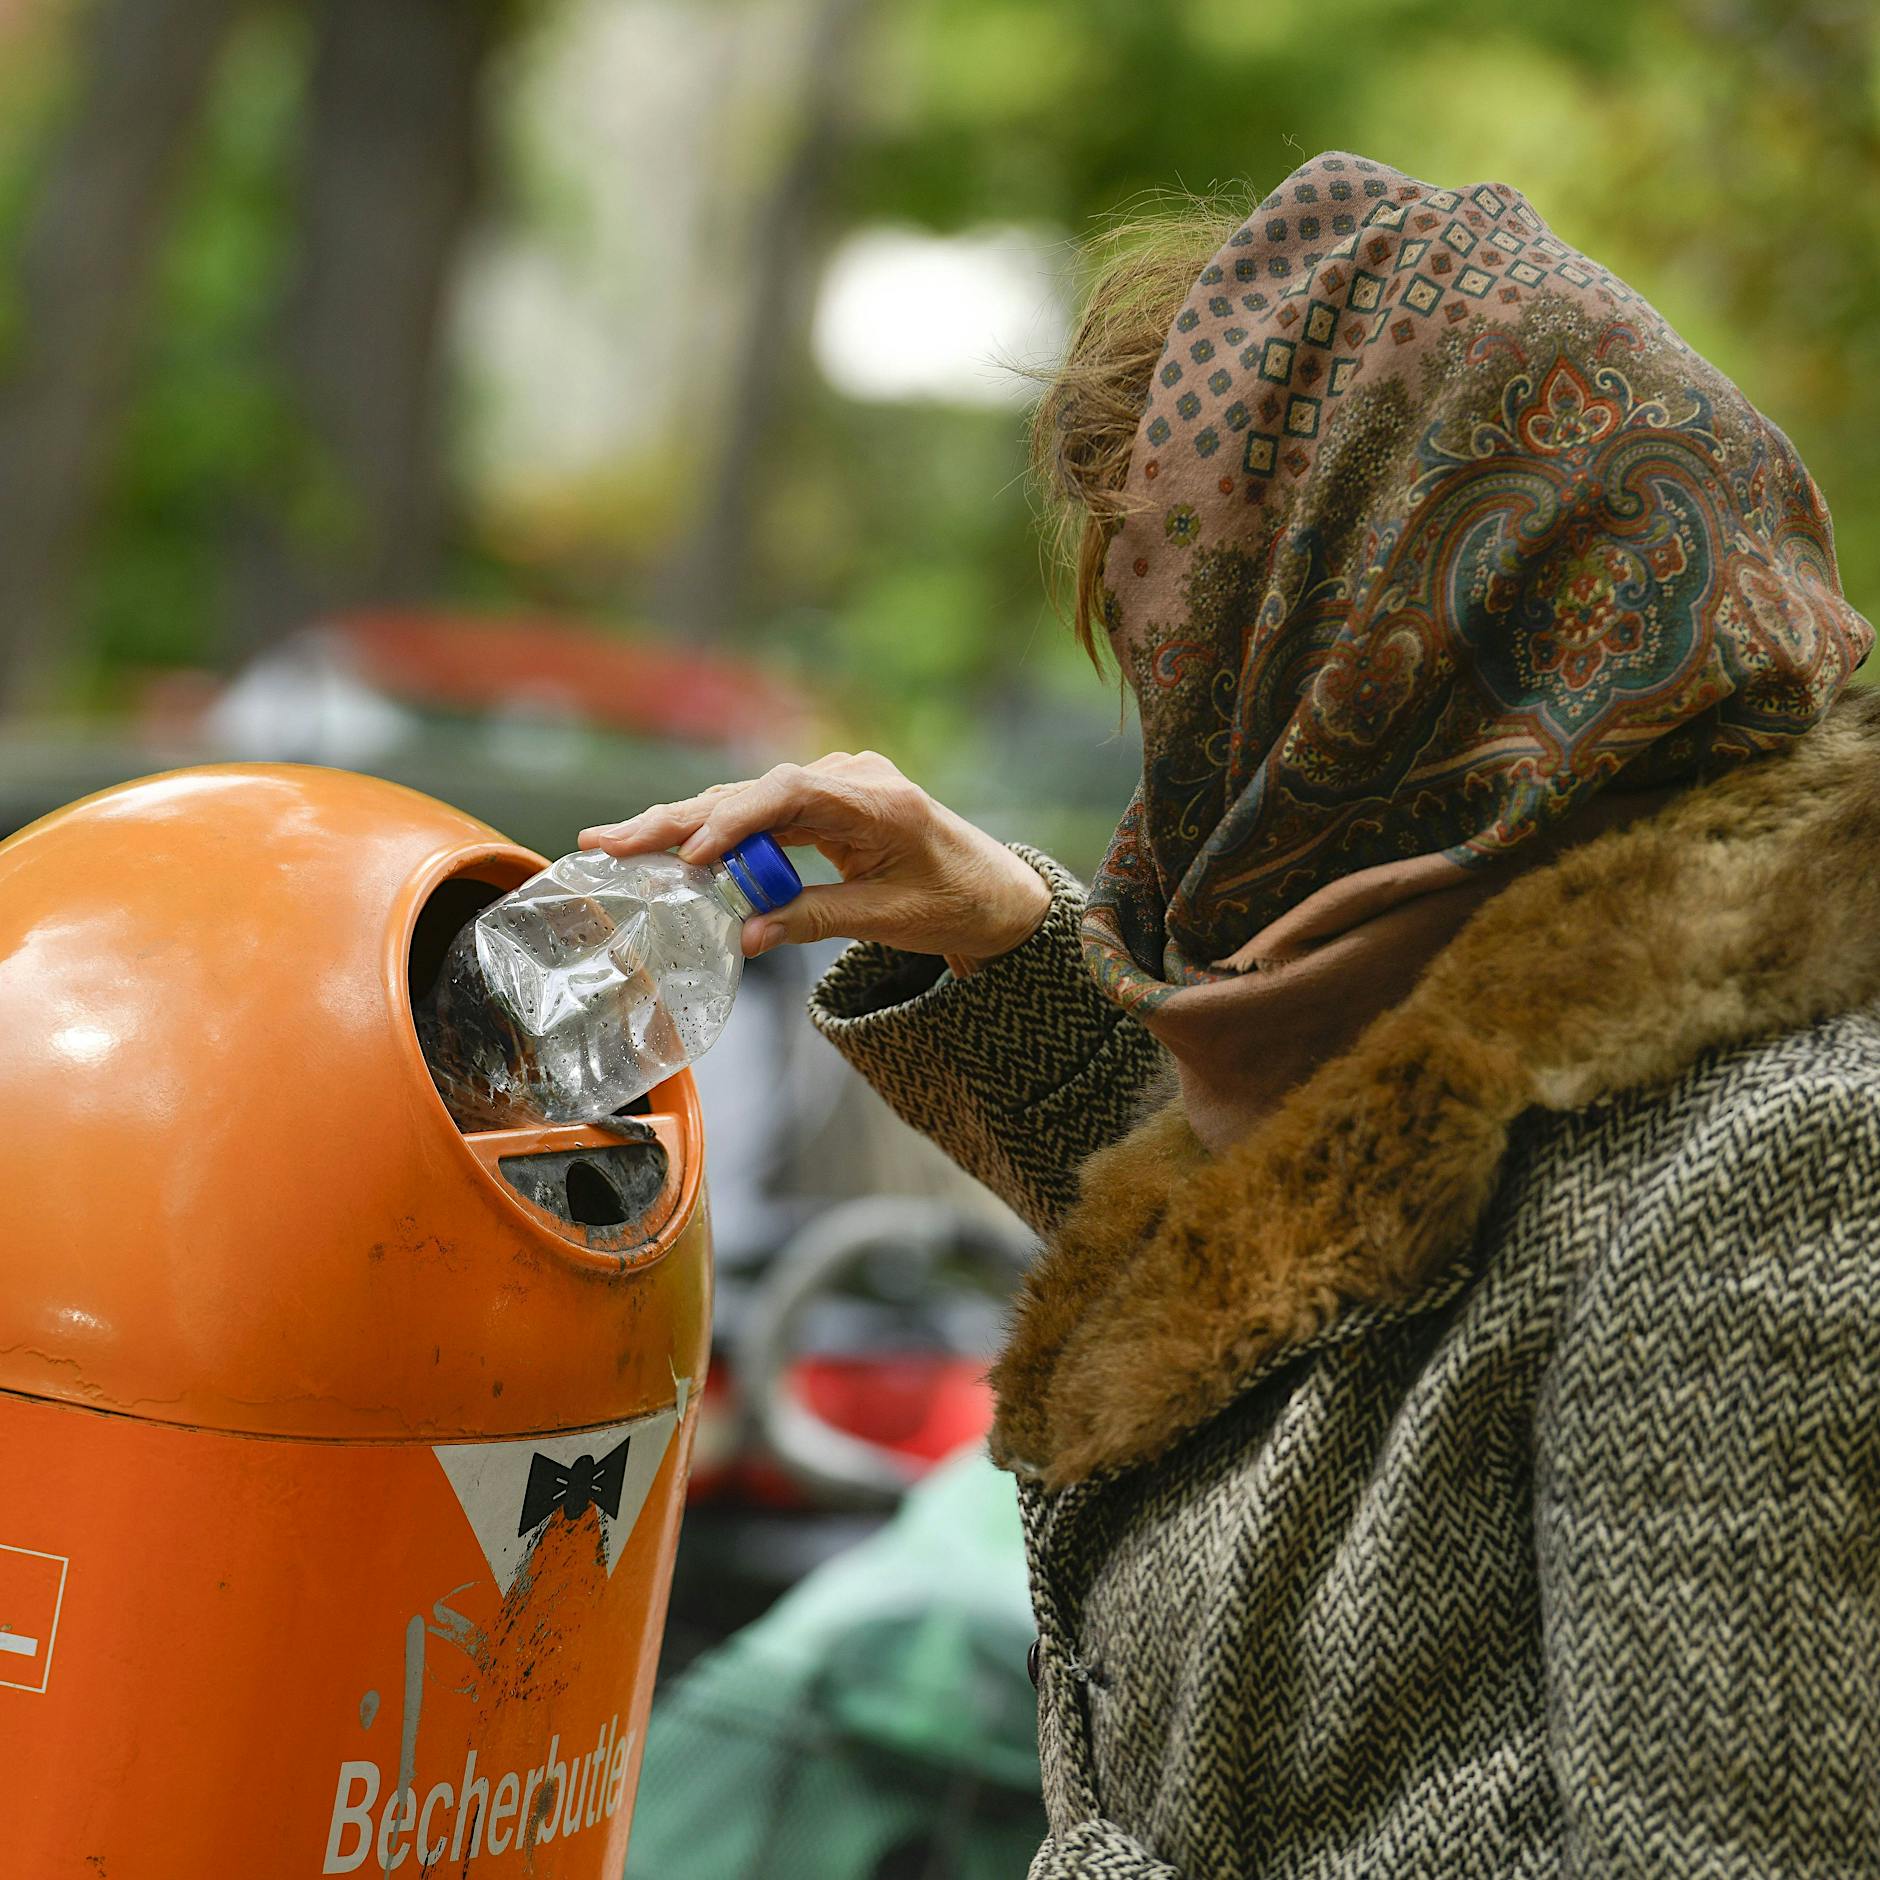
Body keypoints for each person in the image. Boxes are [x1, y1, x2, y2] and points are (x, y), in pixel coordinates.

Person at [585, 153, 1880, 1876]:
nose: (1194, 753)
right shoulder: (1514, 956)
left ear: (1386, 631)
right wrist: (1004, 945)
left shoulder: (1784, 1153)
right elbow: (1354, 1263)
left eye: (1212, 664)